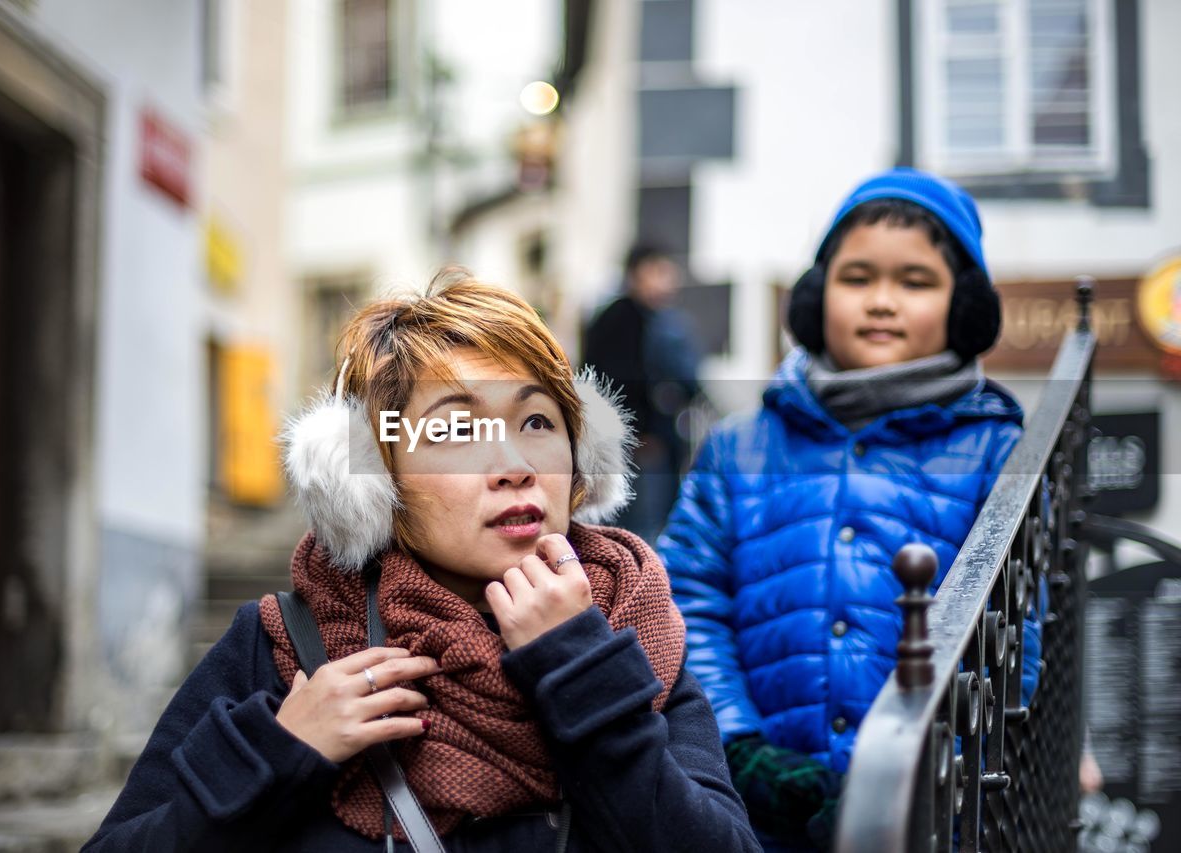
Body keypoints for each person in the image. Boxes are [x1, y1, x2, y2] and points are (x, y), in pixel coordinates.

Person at [84, 271, 761, 852]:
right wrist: (282, 753)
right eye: (456, 429)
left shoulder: (628, 628)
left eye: (537, 422)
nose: (514, 467)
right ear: (375, 480)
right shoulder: (287, 647)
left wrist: (581, 669)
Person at [656, 168, 1045, 851]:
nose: (882, 302)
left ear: (963, 305)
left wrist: (931, 771)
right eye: (857, 277)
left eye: (915, 281)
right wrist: (741, 747)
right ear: (817, 294)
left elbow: (1016, 639)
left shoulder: (999, 451)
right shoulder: (739, 448)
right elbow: (687, 600)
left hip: (936, 820)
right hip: (761, 819)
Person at [583, 244, 702, 541]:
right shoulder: (621, 319)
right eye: (659, 272)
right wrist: (638, 432)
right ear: (637, 274)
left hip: (654, 440)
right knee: (638, 528)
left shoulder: (659, 320)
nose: (668, 282)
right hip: (638, 444)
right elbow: (609, 382)